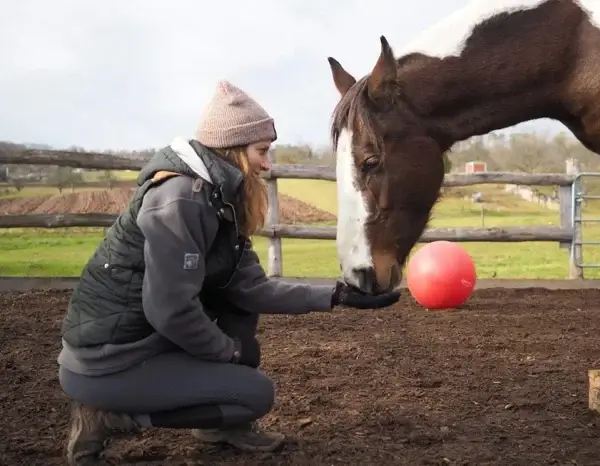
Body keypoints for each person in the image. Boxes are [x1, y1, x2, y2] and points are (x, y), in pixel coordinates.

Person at [57, 80, 401, 466]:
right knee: (253, 395)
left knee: (238, 313)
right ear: (234, 149)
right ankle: (107, 415)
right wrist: (227, 352)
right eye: (261, 151)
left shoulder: (217, 197)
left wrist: (336, 295)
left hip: (143, 339)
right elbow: (169, 308)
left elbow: (251, 288)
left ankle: (217, 425)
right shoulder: (181, 200)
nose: (267, 164)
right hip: (109, 360)